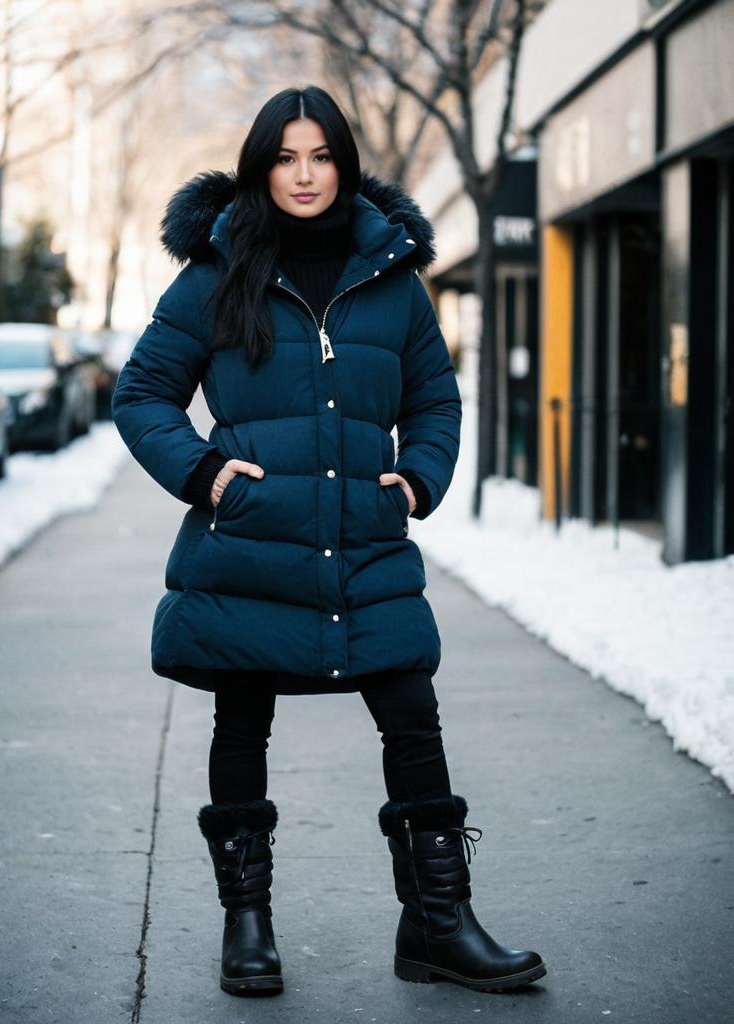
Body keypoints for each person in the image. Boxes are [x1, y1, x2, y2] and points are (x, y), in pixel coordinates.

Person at [111, 84, 546, 998]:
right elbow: (143, 392)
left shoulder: (391, 278)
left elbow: (436, 397)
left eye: (320, 156)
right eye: (285, 157)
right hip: (252, 544)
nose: (303, 175)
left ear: (344, 164)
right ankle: (248, 927)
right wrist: (205, 474)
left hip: (365, 544)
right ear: (260, 165)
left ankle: (437, 924)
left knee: (411, 713)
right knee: (242, 718)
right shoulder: (213, 272)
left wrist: (419, 476)